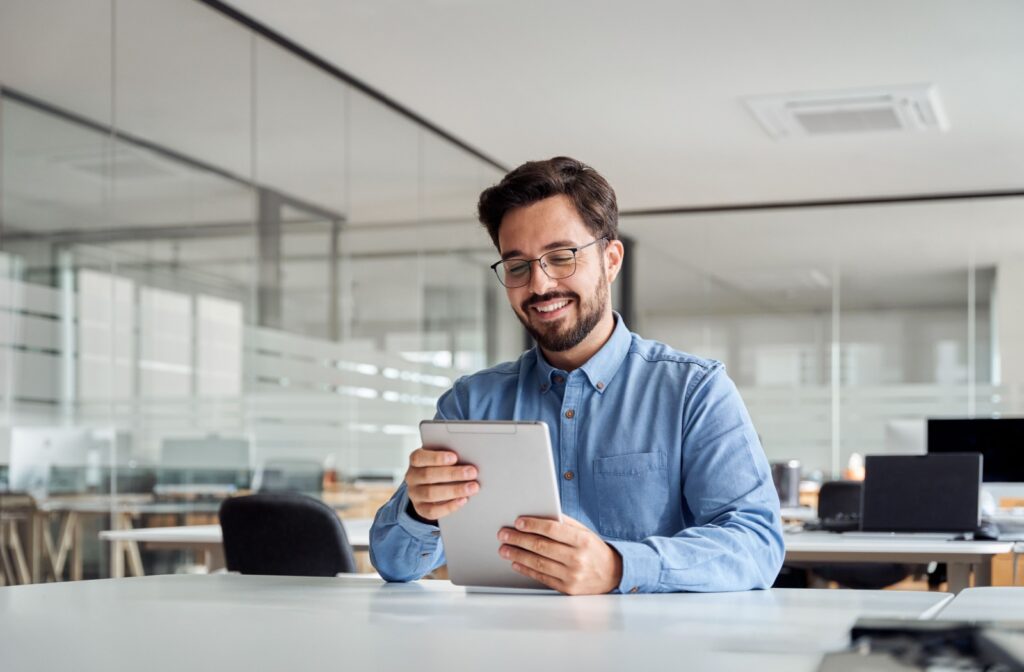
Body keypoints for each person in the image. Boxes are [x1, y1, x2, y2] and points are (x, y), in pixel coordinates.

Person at [369, 156, 784, 594]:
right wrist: (420, 510)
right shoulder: (472, 403)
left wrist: (621, 567)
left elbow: (757, 544)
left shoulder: (694, 391)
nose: (540, 284)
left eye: (561, 256)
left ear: (611, 259)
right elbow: (394, 565)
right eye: (517, 266)